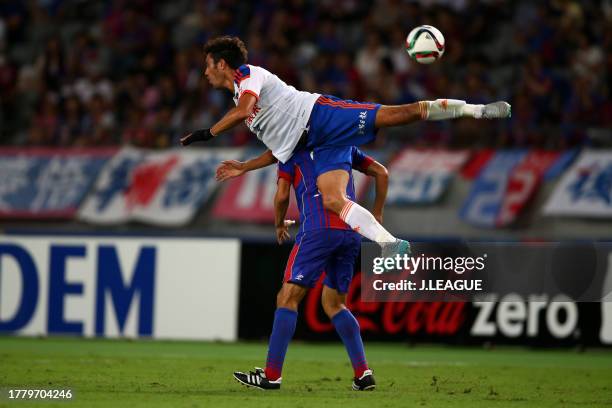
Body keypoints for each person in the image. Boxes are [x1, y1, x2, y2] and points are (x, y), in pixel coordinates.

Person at [180, 36, 511, 257]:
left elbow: (242, 111)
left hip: (323, 117)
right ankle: (390, 244)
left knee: (401, 114)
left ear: (222, 64)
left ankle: (478, 110)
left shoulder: (249, 76)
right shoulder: (241, 98)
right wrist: (246, 166)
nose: (205, 72)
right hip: (312, 146)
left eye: (208, 64)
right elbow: (280, 149)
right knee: (333, 200)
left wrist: (207, 133)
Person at [233, 146, 388, 391]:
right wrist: (377, 213)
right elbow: (381, 172)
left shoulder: (291, 150)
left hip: (318, 229)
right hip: (351, 231)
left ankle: (272, 375)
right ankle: (363, 373)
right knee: (335, 304)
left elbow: (282, 195)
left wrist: (278, 223)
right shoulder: (344, 146)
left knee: (287, 298)